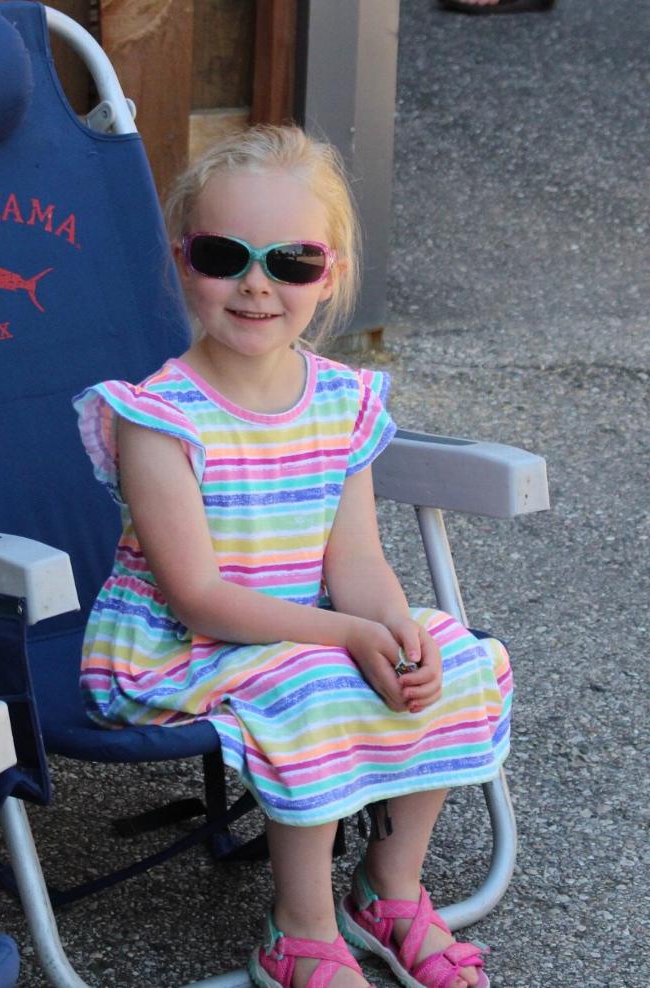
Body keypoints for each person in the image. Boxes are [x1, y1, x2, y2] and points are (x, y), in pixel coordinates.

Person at [73, 125, 509, 988]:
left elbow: (357, 563)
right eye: (223, 254)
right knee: (310, 685)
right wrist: (347, 637)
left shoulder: (341, 400)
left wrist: (392, 630)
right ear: (181, 259)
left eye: (292, 262)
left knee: (455, 655)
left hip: (301, 627)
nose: (256, 285)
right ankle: (299, 931)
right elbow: (197, 599)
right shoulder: (158, 418)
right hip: (176, 651)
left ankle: (387, 890)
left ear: (331, 272)